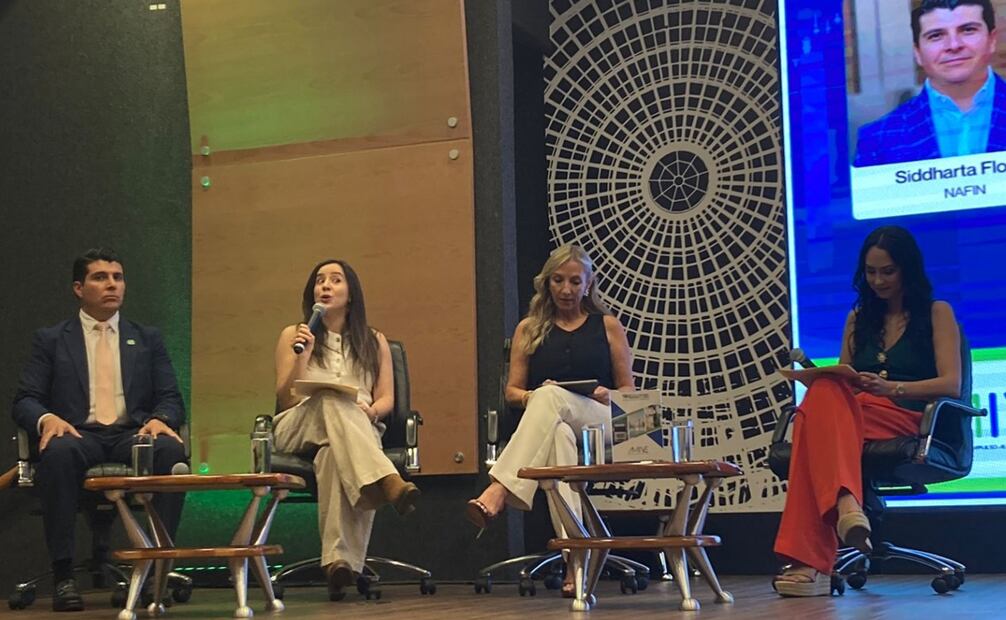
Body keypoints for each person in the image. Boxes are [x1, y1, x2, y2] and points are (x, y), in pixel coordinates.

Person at [772, 226, 961, 596]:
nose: (878, 280)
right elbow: (843, 378)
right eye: (871, 272)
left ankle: (809, 561)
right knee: (825, 387)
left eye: (888, 271)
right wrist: (847, 380)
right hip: (858, 414)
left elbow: (951, 384)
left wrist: (892, 388)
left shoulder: (937, 312)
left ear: (907, 269)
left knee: (809, 429)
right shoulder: (858, 318)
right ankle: (846, 505)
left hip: (909, 417)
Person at [12, 248, 186, 612]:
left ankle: (155, 569)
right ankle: (64, 575)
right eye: (100, 278)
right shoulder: (52, 339)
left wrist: (161, 418)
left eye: (117, 278)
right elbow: (25, 400)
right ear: (79, 288)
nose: (112, 285)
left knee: (170, 451)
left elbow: (171, 398)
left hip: (131, 434)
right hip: (78, 434)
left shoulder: (146, 338)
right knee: (57, 453)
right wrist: (47, 418)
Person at [465, 244, 634, 597]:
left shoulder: (608, 326)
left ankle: (500, 488)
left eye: (575, 281)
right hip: (555, 422)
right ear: (546, 283)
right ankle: (576, 560)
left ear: (588, 285)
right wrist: (534, 396)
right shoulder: (529, 329)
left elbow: (629, 393)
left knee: (551, 398)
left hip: (601, 422)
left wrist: (606, 393)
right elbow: (513, 392)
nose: (566, 289)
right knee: (557, 433)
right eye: (558, 280)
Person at [271, 259, 420, 601]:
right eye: (320, 280)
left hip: (357, 427)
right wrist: (303, 355)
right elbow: (285, 399)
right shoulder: (293, 335)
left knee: (331, 457)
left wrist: (371, 411)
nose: (325, 285)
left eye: (335, 280)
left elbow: (386, 398)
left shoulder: (373, 340)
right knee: (330, 397)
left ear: (351, 294)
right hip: (298, 426)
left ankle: (339, 564)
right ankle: (385, 480)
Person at [854, 0, 1006, 166]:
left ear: (992, 40)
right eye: (936, 36)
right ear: (917, 53)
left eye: (968, 30)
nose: (954, 45)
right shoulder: (877, 140)